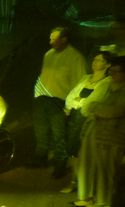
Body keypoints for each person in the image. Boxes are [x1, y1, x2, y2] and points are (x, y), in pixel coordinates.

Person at [30, 27, 87, 178]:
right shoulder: (49, 55)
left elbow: (79, 82)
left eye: (54, 39)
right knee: (40, 130)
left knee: (58, 134)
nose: (50, 42)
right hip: (42, 98)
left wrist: (70, 105)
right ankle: (40, 158)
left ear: (64, 39)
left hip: (59, 100)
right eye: (50, 38)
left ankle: (60, 164)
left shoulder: (75, 58)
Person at [74, 55, 125, 207]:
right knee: (87, 164)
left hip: (114, 135)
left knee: (107, 170)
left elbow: (117, 110)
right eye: (112, 71)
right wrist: (99, 109)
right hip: (95, 131)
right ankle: (87, 196)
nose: (113, 75)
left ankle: (104, 201)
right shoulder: (106, 85)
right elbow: (88, 106)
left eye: (117, 72)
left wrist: (99, 109)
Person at [60, 51, 112, 194]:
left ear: (108, 64)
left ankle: (84, 184)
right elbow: (72, 95)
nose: (95, 63)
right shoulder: (86, 78)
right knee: (73, 150)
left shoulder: (107, 82)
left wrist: (78, 103)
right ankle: (74, 181)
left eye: (100, 60)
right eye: (94, 59)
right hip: (74, 117)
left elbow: (94, 101)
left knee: (84, 151)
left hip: (88, 119)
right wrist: (73, 104)